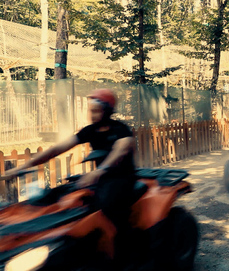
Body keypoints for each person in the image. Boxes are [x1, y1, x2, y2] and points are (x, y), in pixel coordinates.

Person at [3, 88, 136, 238]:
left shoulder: (120, 129)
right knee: (58, 197)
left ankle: (120, 247)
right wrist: (23, 167)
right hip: (98, 178)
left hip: (121, 178)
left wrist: (101, 170)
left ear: (108, 111)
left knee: (107, 206)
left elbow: (120, 150)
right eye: (91, 111)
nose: (92, 115)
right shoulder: (89, 131)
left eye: (97, 111)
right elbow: (56, 149)